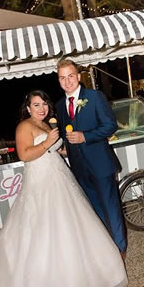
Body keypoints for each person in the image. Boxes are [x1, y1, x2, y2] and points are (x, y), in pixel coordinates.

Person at [0, 90, 127, 287]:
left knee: (72, 224)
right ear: (28, 108)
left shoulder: (45, 124)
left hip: (59, 177)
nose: (41, 108)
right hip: (41, 184)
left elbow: (55, 150)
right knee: (42, 229)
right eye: (36, 105)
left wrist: (61, 149)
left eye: (44, 104)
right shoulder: (24, 126)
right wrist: (46, 142)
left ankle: (82, 277)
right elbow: (25, 155)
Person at [55, 59, 127, 257]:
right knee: (94, 208)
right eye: (62, 78)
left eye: (71, 76)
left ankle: (120, 249)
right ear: (59, 80)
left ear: (78, 76)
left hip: (100, 163)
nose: (67, 81)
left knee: (111, 207)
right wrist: (65, 148)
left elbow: (110, 126)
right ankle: (106, 247)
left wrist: (85, 136)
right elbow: (65, 133)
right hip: (78, 167)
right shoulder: (60, 105)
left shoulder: (95, 97)